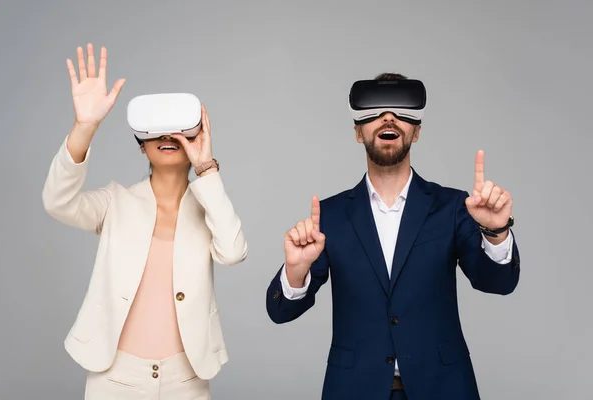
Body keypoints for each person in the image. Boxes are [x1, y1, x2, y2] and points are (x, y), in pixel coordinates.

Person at [265, 72, 520, 400]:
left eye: (402, 110)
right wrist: (296, 270)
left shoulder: (454, 207)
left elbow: (498, 283)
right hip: (355, 389)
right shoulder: (329, 216)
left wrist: (496, 231)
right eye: (374, 110)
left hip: (442, 388)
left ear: (417, 131)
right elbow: (280, 312)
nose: (388, 117)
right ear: (358, 131)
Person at [42, 43, 248, 399]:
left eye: (179, 129)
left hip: (187, 379)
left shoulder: (208, 207)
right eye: (156, 130)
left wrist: (206, 168)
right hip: (115, 376)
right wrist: (84, 126)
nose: (168, 136)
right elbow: (58, 201)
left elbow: (232, 251)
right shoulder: (115, 201)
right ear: (141, 144)